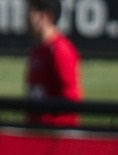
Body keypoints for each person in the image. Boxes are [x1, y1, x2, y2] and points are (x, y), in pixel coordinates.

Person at [24, 0, 80, 128]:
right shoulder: (37, 50)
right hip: (36, 133)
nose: (26, 17)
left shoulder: (60, 50)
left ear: (45, 15)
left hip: (54, 136)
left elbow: (71, 98)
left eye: (30, 12)